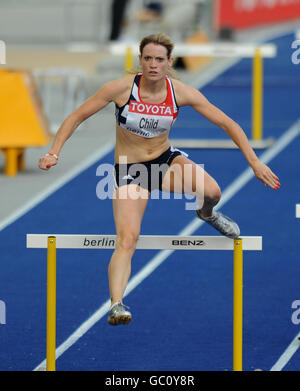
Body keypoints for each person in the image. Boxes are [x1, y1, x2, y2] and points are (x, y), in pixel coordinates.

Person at [39, 32, 280, 326]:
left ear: (169, 62)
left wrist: (254, 162)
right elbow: (77, 116)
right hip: (131, 170)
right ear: (140, 61)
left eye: (159, 59)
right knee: (128, 239)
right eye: (148, 58)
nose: (153, 64)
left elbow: (228, 123)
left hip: (165, 162)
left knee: (213, 191)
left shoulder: (181, 92)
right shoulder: (121, 89)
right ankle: (116, 304)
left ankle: (206, 214)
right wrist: (54, 152)